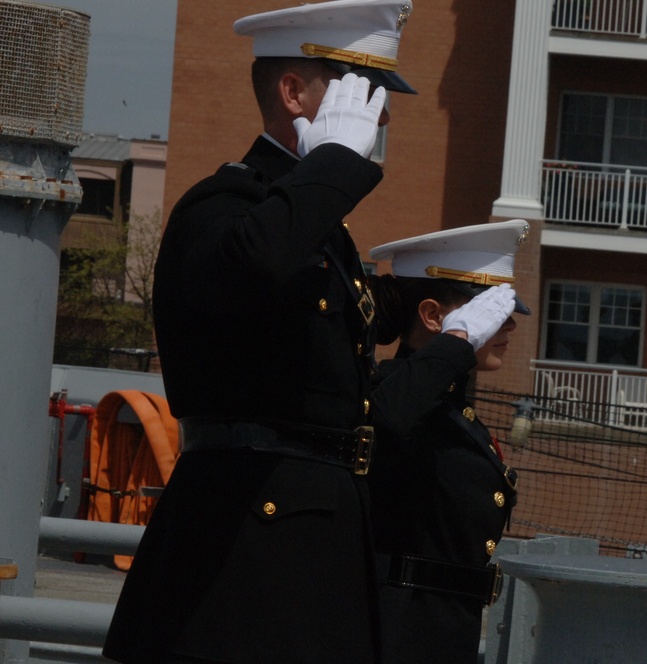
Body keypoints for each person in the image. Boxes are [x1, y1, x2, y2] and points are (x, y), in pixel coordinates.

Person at [103, 2, 416, 662]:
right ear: (293, 91)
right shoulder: (224, 205)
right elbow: (250, 267)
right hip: (244, 543)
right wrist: (331, 164)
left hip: (317, 534)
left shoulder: (312, 223)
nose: (380, 115)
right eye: (361, 90)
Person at [365, 220, 528, 663]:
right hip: (396, 632)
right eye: (489, 312)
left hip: (442, 632)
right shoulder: (396, 397)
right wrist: (457, 342)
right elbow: (390, 420)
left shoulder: (456, 413)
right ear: (434, 316)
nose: (509, 324)